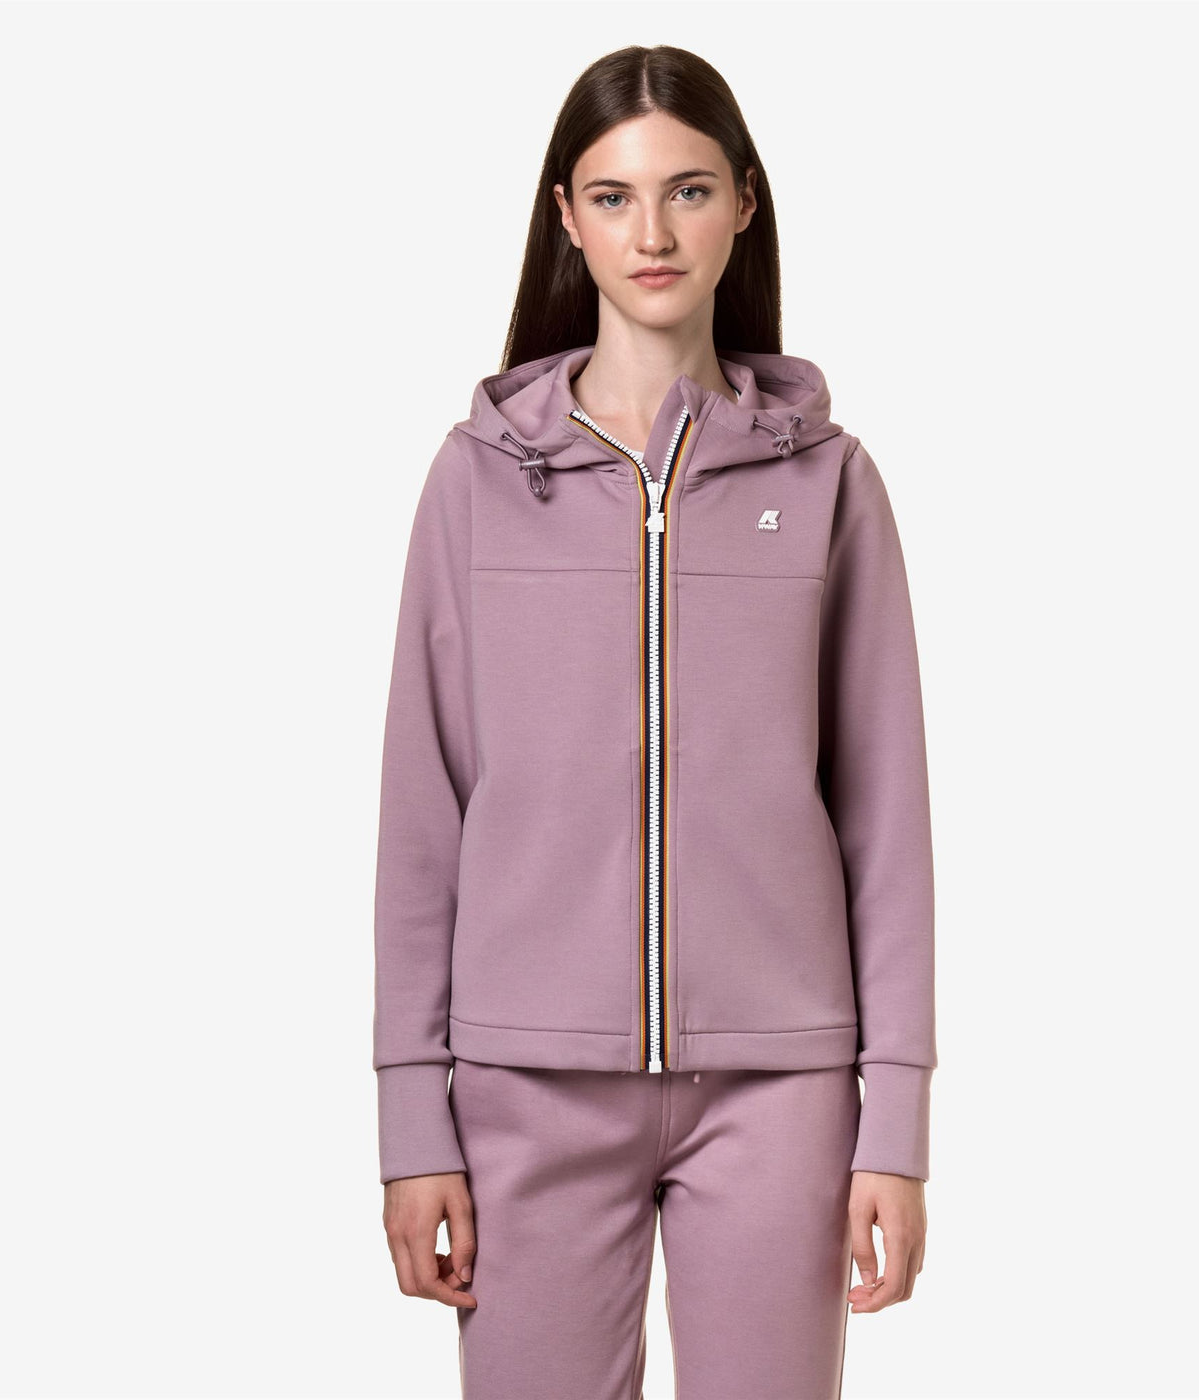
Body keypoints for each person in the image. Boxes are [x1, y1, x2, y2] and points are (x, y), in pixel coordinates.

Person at [373, 43, 937, 1400]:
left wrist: (897, 1122)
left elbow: (886, 817)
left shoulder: (827, 482)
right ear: (566, 217)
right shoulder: (476, 482)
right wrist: (410, 1117)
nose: (654, 234)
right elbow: (423, 809)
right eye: (614, 197)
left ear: (744, 201)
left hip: (780, 1087)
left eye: (687, 191)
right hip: (524, 1084)